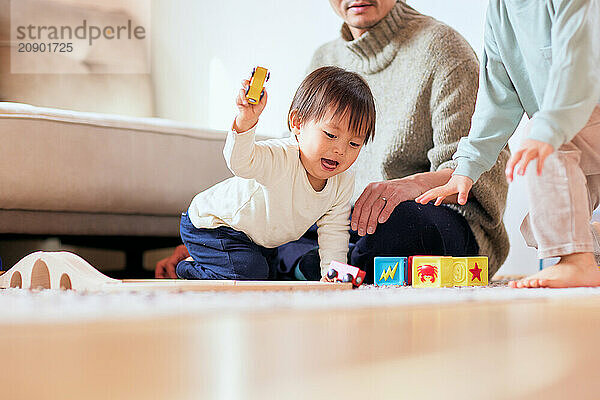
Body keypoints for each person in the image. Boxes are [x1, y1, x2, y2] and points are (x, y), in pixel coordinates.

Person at [156, 0, 510, 281]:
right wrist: (223, 234)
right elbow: (284, 170)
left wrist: (410, 186)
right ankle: (285, 265)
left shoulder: (442, 48)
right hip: (343, 221)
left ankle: (303, 267)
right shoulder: (325, 60)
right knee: (290, 226)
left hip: (435, 218)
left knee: (392, 226)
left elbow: (480, 161)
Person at [416, 0, 600, 288]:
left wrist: (547, 130)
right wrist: (466, 168)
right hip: (565, 127)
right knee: (543, 221)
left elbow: (578, 66)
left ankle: (577, 261)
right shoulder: (501, 10)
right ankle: (586, 256)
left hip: (581, 114)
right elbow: (497, 94)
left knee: (542, 147)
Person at [174, 66, 376, 280]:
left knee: (267, 277)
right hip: (214, 225)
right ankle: (189, 268)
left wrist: (333, 276)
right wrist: (245, 121)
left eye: (354, 143)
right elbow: (239, 163)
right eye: (330, 135)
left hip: (260, 239)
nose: (340, 150)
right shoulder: (281, 157)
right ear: (297, 123)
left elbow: (334, 232)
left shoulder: (342, 181)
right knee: (248, 275)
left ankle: (222, 266)